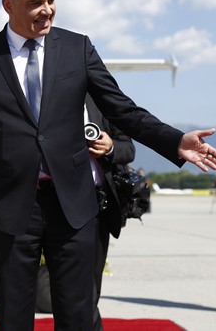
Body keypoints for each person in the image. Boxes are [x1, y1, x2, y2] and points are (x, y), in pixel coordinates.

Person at [0, 0, 216, 330]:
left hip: (74, 206)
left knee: (78, 318)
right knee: (13, 318)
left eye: (52, 0)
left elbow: (122, 109)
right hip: (13, 209)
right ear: (8, 4)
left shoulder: (77, 48)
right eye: (35, 3)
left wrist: (174, 141)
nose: (47, 10)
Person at [85, 96, 135, 331]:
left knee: (90, 288)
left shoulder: (100, 100)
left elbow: (128, 147)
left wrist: (110, 147)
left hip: (94, 207)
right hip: (47, 202)